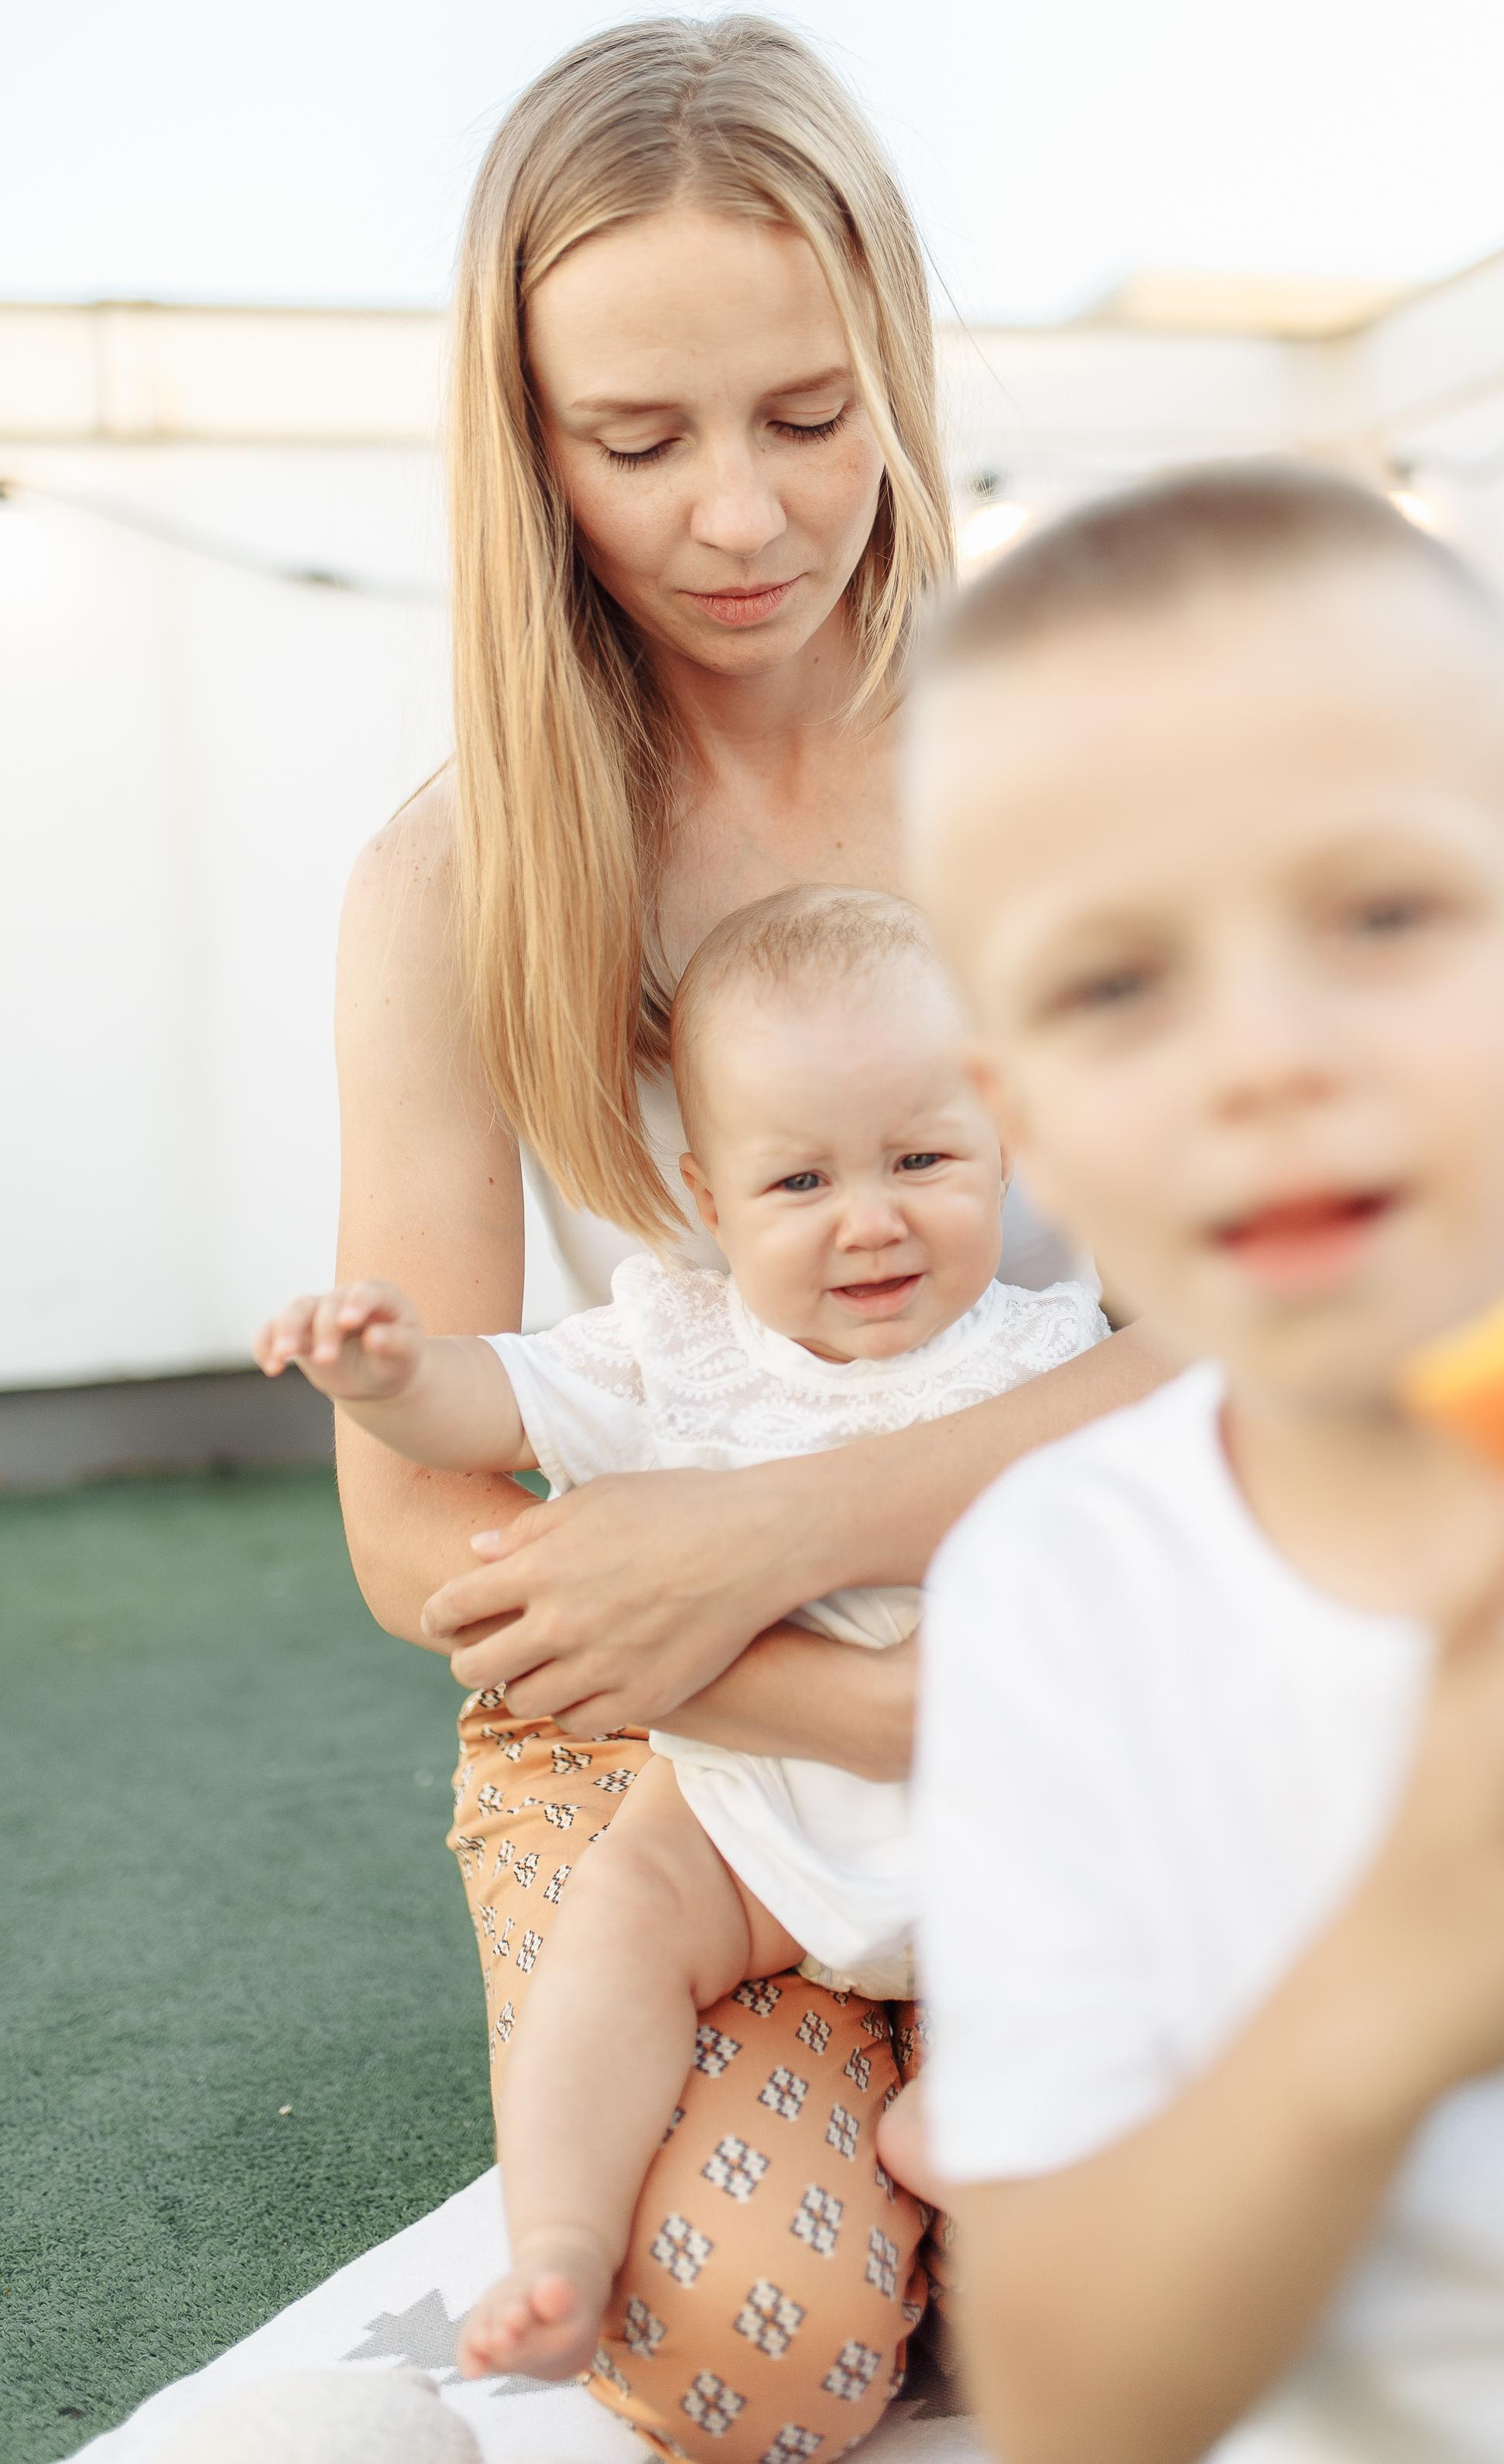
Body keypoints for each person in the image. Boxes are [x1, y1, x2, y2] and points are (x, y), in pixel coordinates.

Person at [332, 11, 1163, 2458]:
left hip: (1057, 1669)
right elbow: (421, 1526)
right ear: (525, 444)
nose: (735, 518)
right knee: (747, 2349)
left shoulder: (1081, 760)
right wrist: (797, 1683)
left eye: (806, 415)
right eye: (635, 439)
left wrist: (790, 1537)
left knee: (1124, 2313)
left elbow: (1243, 1330)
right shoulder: (456, 872)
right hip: (686, 1746)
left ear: (895, 362)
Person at [907, 462, 1504, 2464]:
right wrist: (1391, 1976)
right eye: (1113, 982)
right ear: (1021, 1125)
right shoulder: (1057, 1596)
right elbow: (1063, 2395)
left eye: (1378, 914)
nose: (1261, 1054)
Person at [266, 888, 1104, 2408]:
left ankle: (963, 2126)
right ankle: (562, 2241)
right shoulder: (677, 1345)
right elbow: (486, 1406)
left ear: (1003, 1143)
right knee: (619, 1924)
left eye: (923, 1159)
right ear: (709, 1200)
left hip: (1002, 1822)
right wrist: (385, 1372)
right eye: (799, 1180)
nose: (870, 1218)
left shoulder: (1048, 1348)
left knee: (1120, 1932)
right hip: (743, 1811)